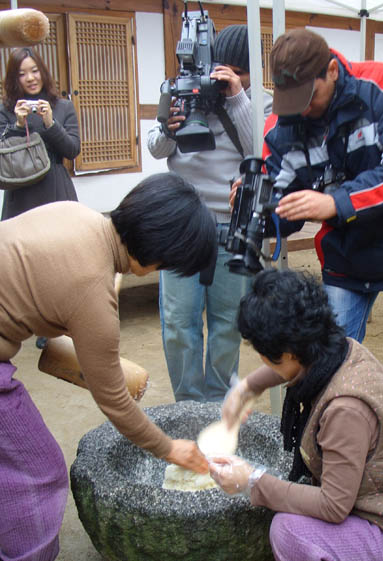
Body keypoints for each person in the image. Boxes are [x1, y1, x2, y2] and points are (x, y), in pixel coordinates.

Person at [259, 28, 383, 485]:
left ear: (332, 69)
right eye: (292, 101)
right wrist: (263, 205)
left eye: (310, 97)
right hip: (347, 257)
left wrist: (336, 203)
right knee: (330, 356)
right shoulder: (286, 119)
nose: (303, 110)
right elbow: (280, 193)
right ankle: (334, 447)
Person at [0, 172, 215, 561]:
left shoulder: (78, 215)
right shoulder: (93, 296)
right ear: (158, 253)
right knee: (41, 470)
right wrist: (170, 449)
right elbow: (115, 401)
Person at [210, 269, 383, 561]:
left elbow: (333, 506)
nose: (261, 358)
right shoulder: (338, 349)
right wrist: (246, 388)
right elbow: (293, 365)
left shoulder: (345, 409)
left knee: (288, 531)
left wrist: (252, 481)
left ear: (288, 354)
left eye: (263, 352)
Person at [147, 25, 273, 402]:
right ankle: (188, 405)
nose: (228, 77)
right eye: (224, 68)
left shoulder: (260, 101)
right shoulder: (187, 86)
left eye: (240, 72)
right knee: (178, 325)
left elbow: (263, 146)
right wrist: (170, 128)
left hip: (232, 228)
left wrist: (237, 97)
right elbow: (154, 147)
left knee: (227, 325)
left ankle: (217, 404)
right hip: (181, 226)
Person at [0, 47, 81, 220]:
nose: (30, 78)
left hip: (56, 189)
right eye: (22, 74)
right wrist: (18, 125)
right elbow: (3, 154)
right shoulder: (6, 110)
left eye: (35, 71)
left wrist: (51, 124)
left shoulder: (63, 106)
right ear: (14, 79)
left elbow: (72, 150)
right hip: (20, 191)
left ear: (43, 72)